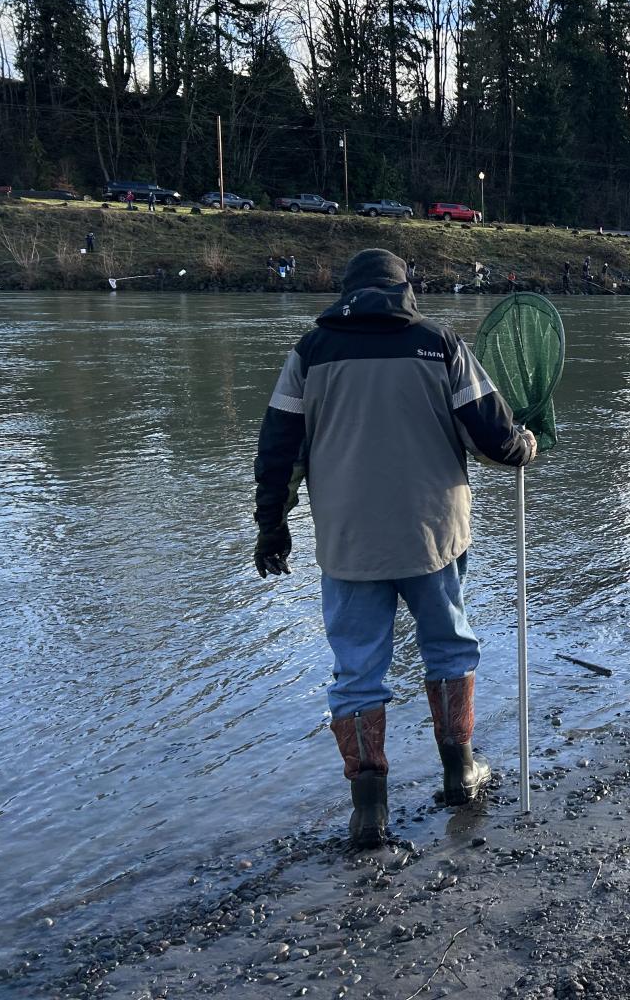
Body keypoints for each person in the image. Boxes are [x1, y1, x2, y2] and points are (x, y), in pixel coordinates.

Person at [252, 248, 537, 848]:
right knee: (450, 646)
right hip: (434, 534)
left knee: (356, 672)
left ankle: (368, 810)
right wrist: (526, 447)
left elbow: (278, 451)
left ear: (346, 290)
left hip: (350, 543)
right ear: (405, 289)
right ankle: (460, 773)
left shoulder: (309, 353)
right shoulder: (441, 346)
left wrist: (271, 525)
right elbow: (493, 436)